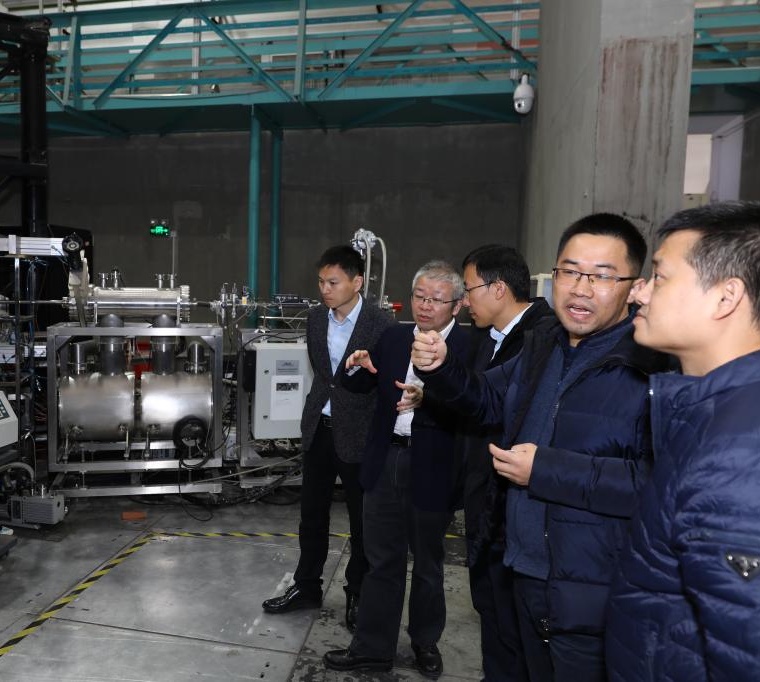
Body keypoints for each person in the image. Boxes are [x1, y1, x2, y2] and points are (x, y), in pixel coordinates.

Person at [411, 215, 666, 681]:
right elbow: (486, 399)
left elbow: (658, 484)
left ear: (634, 287)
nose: (581, 289)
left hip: (592, 592)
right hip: (521, 569)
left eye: (602, 276)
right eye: (570, 272)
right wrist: (442, 368)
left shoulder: (652, 366)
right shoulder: (543, 344)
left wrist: (545, 470)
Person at [606, 202, 760, 681]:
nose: (639, 292)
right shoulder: (743, 409)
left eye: (659, 277)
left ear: (726, 297)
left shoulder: (746, 456)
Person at [323, 260, 468, 679]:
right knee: (380, 559)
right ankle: (372, 648)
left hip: (432, 465)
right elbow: (362, 386)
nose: (425, 306)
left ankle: (425, 641)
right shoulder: (395, 337)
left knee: (428, 563)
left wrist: (429, 399)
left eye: (436, 299)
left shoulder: (470, 347)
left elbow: (474, 407)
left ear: (456, 306)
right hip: (386, 458)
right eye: (419, 297)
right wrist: (357, 366)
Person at [262, 245, 394, 631]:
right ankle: (306, 586)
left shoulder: (381, 323)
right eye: (321, 282)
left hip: (360, 433)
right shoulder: (316, 318)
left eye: (333, 282)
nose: (325, 289)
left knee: (361, 521)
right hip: (319, 427)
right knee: (312, 516)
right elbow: (325, 375)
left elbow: (382, 379)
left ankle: (358, 593)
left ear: (358, 282)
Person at [458, 245, 554, 682]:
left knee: (516, 626)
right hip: (485, 503)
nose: (465, 301)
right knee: (490, 610)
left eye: (469, 289)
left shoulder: (543, 339)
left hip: (516, 511)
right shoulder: (487, 338)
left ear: (498, 288)